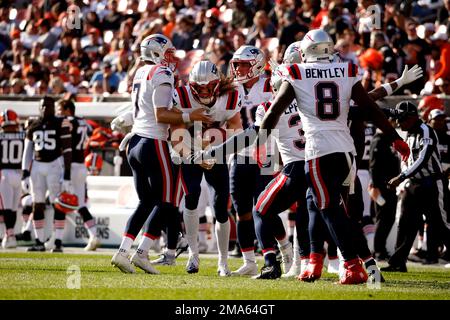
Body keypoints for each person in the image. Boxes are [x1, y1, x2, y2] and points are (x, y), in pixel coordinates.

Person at [258, 29, 410, 285]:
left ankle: (352, 265)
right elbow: (369, 108)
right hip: (347, 153)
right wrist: (395, 136)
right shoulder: (346, 69)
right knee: (329, 210)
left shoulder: (297, 73)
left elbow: (273, 111)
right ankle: (351, 264)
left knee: (329, 210)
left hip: (318, 151)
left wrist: (261, 142)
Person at [110, 34, 211, 274]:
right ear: (154, 52)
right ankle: (142, 252)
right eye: (166, 53)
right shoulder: (161, 73)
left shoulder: (140, 72)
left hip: (135, 142)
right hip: (152, 142)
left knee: (147, 202)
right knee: (168, 202)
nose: (170, 59)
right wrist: (190, 116)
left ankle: (123, 251)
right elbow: (161, 115)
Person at [170, 60, 242, 276]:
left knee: (221, 207)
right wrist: (195, 156)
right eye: (198, 88)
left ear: (216, 84)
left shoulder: (230, 96)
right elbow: (176, 136)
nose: (203, 91)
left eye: (207, 87)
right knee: (191, 196)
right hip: (188, 152)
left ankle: (223, 262)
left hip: (216, 152)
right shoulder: (181, 96)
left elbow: (236, 129)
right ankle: (193, 254)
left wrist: (220, 151)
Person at [381, 102, 450, 271]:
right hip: (414, 184)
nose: (399, 123)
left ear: (412, 118)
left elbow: (423, 158)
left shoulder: (426, 131)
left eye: (402, 119)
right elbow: (408, 160)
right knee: (405, 222)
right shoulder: (409, 133)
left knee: (440, 224)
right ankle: (397, 262)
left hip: (432, 183)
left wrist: (401, 177)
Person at [21, 96, 73, 252]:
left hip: (54, 165)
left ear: (53, 107)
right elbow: (27, 151)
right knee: (37, 204)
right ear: (39, 107)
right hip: (37, 166)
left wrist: (67, 175)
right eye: (43, 106)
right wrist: (25, 173)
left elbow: (67, 150)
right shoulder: (33, 124)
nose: (45, 108)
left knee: (58, 203)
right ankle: (39, 241)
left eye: (49, 105)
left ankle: (57, 241)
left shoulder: (60, 122)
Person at [56, 99, 101, 251]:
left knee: (61, 203)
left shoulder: (67, 121)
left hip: (70, 165)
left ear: (68, 109)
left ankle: (57, 240)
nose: (58, 113)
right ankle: (94, 234)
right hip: (81, 165)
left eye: (60, 109)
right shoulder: (83, 122)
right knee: (80, 204)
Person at [368, 113, 401, 261]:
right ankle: (379, 250)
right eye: (391, 120)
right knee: (383, 218)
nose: (394, 123)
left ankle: (381, 249)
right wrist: (375, 186)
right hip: (381, 186)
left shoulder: (389, 139)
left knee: (389, 218)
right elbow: (373, 166)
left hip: (390, 186)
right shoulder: (378, 139)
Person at [0, 110, 25, 248]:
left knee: (8, 208)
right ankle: (11, 236)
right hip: (19, 173)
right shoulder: (23, 136)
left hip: (4, 173)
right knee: (13, 208)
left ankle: (9, 235)